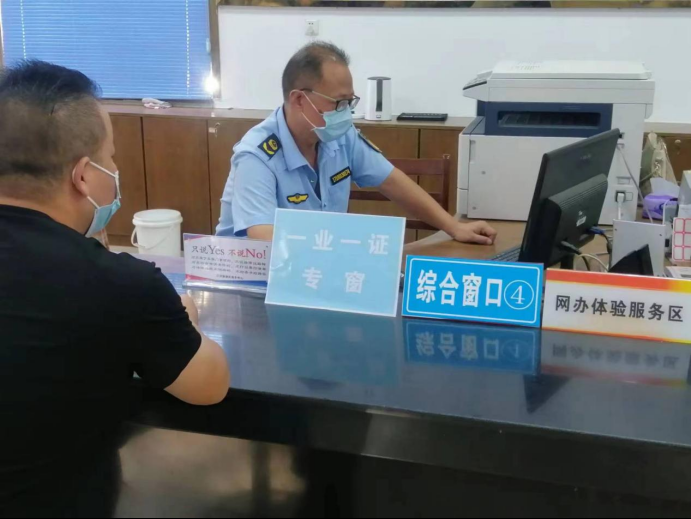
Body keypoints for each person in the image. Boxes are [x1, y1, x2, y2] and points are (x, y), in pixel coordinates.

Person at [0, 61, 230, 517]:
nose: (115, 170)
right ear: (84, 176)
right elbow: (209, 384)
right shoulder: (121, 284)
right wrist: (183, 316)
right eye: (111, 158)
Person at [216, 41, 498, 244]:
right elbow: (263, 236)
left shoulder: (339, 135)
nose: (346, 113)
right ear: (299, 99)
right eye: (339, 103)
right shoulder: (257, 156)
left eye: (349, 102)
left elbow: (392, 181)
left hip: (315, 270)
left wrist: (454, 227)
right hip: (252, 283)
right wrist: (347, 250)